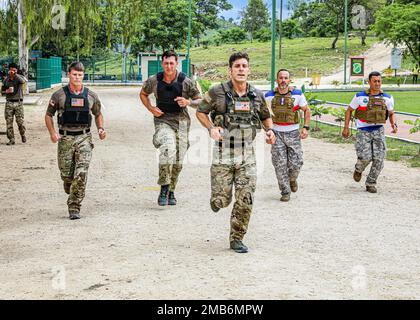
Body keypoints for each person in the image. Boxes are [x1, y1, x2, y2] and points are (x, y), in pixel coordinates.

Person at [196, 52, 276, 253]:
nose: (241, 69)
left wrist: (270, 131)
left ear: (249, 70)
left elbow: (266, 117)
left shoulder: (256, 95)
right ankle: (219, 199)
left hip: (247, 154)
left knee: (246, 198)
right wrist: (211, 128)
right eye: (237, 66)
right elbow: (200, 112)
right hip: (224, 153)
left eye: (244, 66)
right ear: (230, 70)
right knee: (221, 200)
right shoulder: (217, 92)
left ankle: (237, 238)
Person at [45, 62, 106, 220]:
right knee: (67, 175)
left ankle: (74, 206)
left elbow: (98, 114)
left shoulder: (91, 95)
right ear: (69, 75)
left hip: (84, 137)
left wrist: (100, 129)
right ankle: (68, 183)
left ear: (83, 75)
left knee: (81, 172)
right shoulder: (59, 95)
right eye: (74, 74)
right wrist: (52, 133)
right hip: (65, 138)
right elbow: (48, 115)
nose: (77, 77)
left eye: (80, 75)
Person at [140, 50, 202, 206]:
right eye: (166, 63)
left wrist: (188, 102)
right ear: (162, 63)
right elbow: (143, 93)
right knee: (168, 149)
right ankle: (164, 187)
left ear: (176, 64)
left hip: (181, 123)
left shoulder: (186, 82)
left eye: (171, 63)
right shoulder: (154, 80)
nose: (168, 66)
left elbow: (200, 101)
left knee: (178, 162)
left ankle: (171, 190)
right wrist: (151, 108)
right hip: (163, 121)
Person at [342, 71, 397, 193]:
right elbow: (349, 110)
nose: (377, 84)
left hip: (378, 130)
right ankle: (359, 168)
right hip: (363, 131)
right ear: (369, 82)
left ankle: (371, 183)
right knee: (365, 157)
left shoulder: (387, 98)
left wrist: (394, 124)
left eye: (379, 81)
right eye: (375, 81)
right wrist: (346, 127)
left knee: (379, 159)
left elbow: (391, 113)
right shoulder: (360, 96)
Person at [265, 69, 311, 202]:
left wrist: (306, 127)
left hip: (293, 133)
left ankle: (292, 179)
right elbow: (265, 115)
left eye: (286, 78)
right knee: (279, 164)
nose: (283, 81)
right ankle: (285, 191)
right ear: (276, 80)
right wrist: (268, 131)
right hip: (276, 133)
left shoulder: (297, 94)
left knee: (297, 162)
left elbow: (306, 110)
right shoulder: (269, 96)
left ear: (289, 80)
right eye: (281, 78)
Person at [1, 63, 27, 145]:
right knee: (9, 122)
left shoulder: (19, 77)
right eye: (11, 70)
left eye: (14, 70)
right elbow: (2, 91)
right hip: (9, 103)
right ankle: (11, 139)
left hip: (18, 102)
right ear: (9, 70)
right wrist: (6, 91)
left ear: (16, 70)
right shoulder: (6, 80)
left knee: (20, 122)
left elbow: (23, 81)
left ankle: (22, 134)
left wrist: (15, 75)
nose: (12, 71)